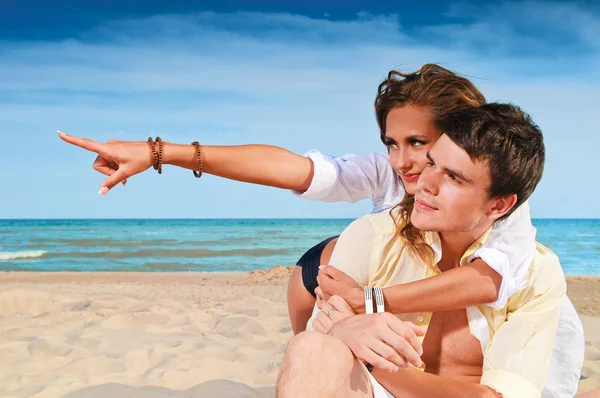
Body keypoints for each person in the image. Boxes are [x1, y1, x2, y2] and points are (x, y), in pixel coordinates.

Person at [58, 64, 583, 396]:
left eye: (419, 143)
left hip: (476, 331)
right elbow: (292, 168)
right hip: (384, 287)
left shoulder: (508, 213)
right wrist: (159, 154)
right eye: (391, 142)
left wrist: (368, 305)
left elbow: (490, 280)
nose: (405, 164)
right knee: (318, 274)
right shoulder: (390, 191)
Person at [277, 103, 565, 398]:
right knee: (309, 348)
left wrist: (371, 357)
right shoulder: (373, 236)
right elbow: (323, 335)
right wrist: (343, 331)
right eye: (431, 163)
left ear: (499, 206)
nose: (426, 183)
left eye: (454, 177)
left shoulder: (535, 274)